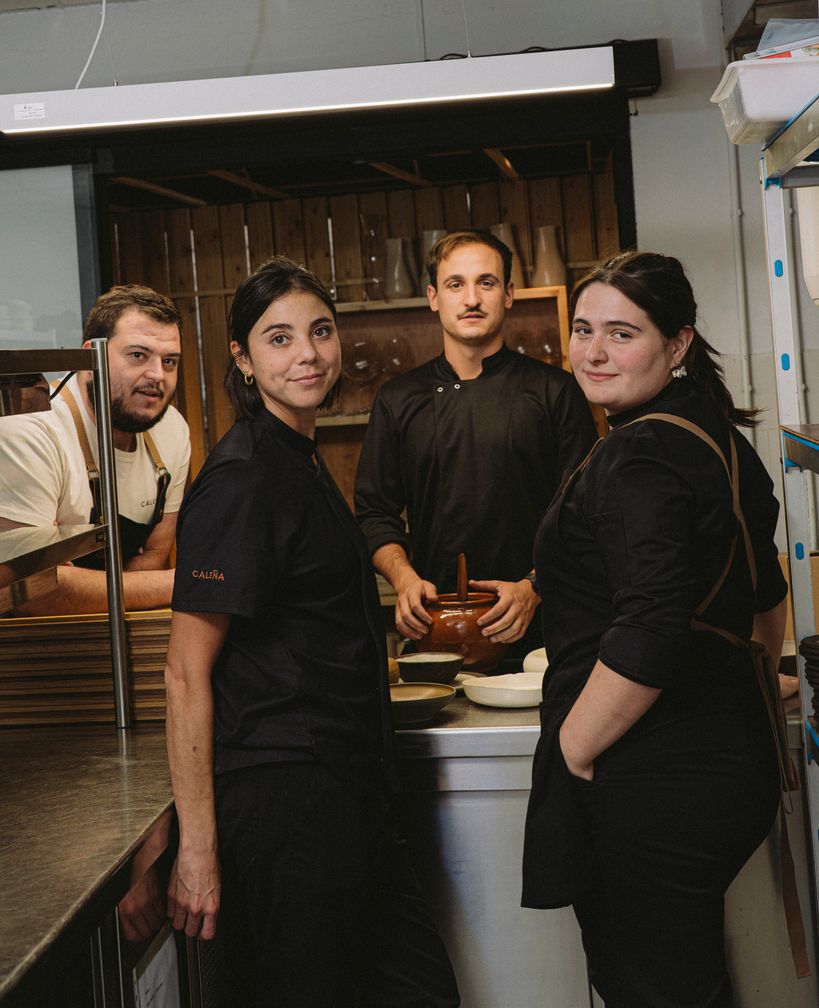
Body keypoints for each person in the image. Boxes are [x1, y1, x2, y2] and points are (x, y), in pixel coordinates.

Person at [165, 256, 459, 1008]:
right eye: (278, 338)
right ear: (241, 356)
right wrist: (197, 847)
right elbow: (185, 672)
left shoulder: (299, 457)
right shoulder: (242, 478)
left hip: (346, 791)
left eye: (320, 332)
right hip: (285, 800)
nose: (307, 354)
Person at [521, 251, 789, 1007]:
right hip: (724, 763)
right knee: (685, 982)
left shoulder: (638, 453)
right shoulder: (714, 437)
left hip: (650, 778)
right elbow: (764, 600)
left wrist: (573, 748)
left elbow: (651, 626)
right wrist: (746, 688)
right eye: (581, 330)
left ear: (676, 344)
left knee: (651, 988)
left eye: (621, 333)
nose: (593, 352)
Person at [355, 229, 597, 662]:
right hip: (435, 629)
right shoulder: (398, 399)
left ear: (508, 294)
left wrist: (534, 587)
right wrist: (405, 580)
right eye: (455, 284)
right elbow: (374, 512)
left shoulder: (555, 392)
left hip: (542, 634)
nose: (471, 298)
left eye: (485, 283)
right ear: (433, 297)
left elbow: (585, 510)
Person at [0, 284, 190, 614]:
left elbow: (155, 554)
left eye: (169, 361)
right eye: (138, 355)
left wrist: (74, 584)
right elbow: (24, 590)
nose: (157, 375)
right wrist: (187, 584)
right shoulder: (32, 431)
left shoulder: (171, 428)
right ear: (91, 357)